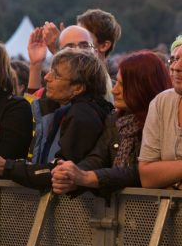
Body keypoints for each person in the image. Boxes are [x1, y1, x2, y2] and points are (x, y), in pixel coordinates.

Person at [0, 48, 112, 189]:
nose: (47, 77)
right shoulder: (61, 109)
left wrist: (7, 167)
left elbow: (58, 171)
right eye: (51, 70)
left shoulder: (82, 115)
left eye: (56, 75)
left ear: (77, 88)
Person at [51, 51, 172, 195]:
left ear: (142, 87)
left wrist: (87, 177)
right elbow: (97, 157)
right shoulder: (114, 120)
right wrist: (72, 175)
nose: (114, 90)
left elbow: (139, 171)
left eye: (123, 85)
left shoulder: (162, 123)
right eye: (117, 82)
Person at [138, 38, 182, 188]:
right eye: (174, 59)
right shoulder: (161, 102)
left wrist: (167, 172)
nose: (176, 67)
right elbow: (147, 177)